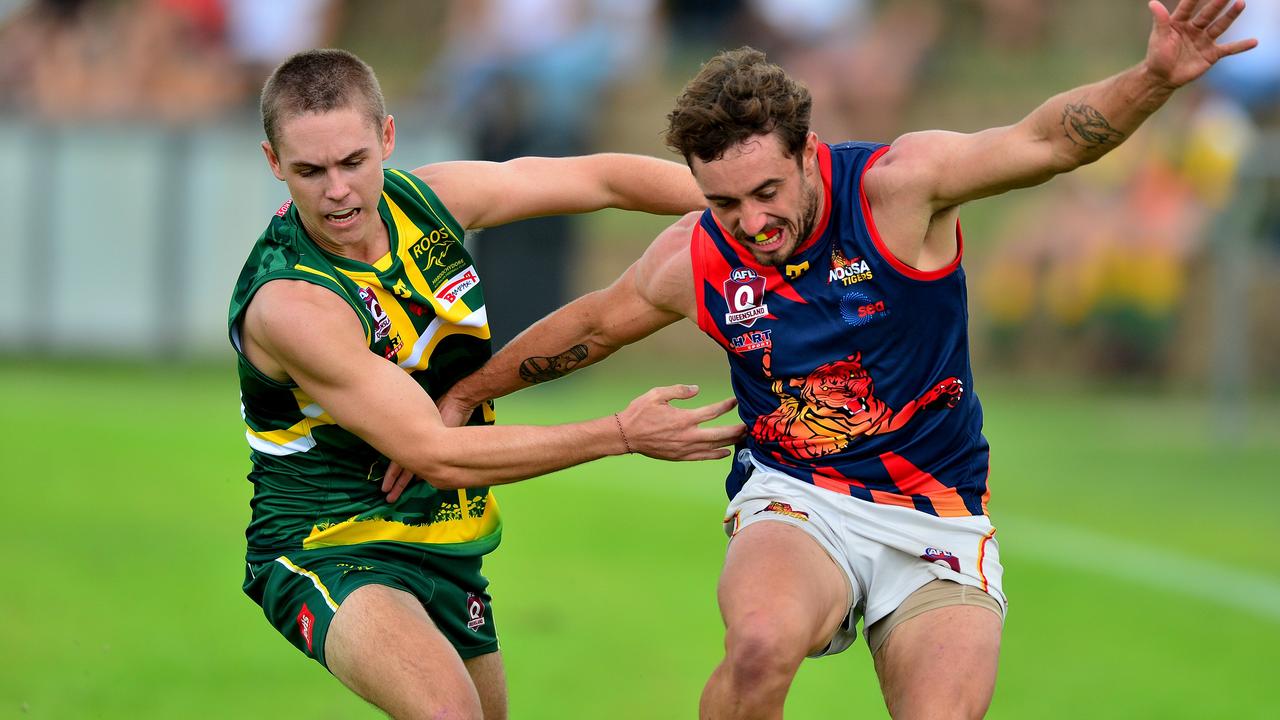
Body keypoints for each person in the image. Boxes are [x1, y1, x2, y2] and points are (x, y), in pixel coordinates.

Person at [423, 2, 1256, 717]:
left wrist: (1154, 78)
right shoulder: (700, 254)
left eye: (765, 193)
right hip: (798, 498)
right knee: (757, 646)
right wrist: (467, 394)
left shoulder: (901, 188)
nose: (749, 222)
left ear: (807, 151)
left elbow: (1049, 142)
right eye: (722, 201)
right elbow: (594, 327)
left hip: (939, 514)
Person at [228, 48, 744, 720]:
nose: (337, 190)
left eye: (353, 161)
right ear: (274, 162)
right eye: (309, 170)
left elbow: (602, 180)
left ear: (387, 137)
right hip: (329, 544)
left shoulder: (428, 200)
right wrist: (620, 434)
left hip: (445, 536)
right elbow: (435, 454)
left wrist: (744, 203)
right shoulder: (293, 303)